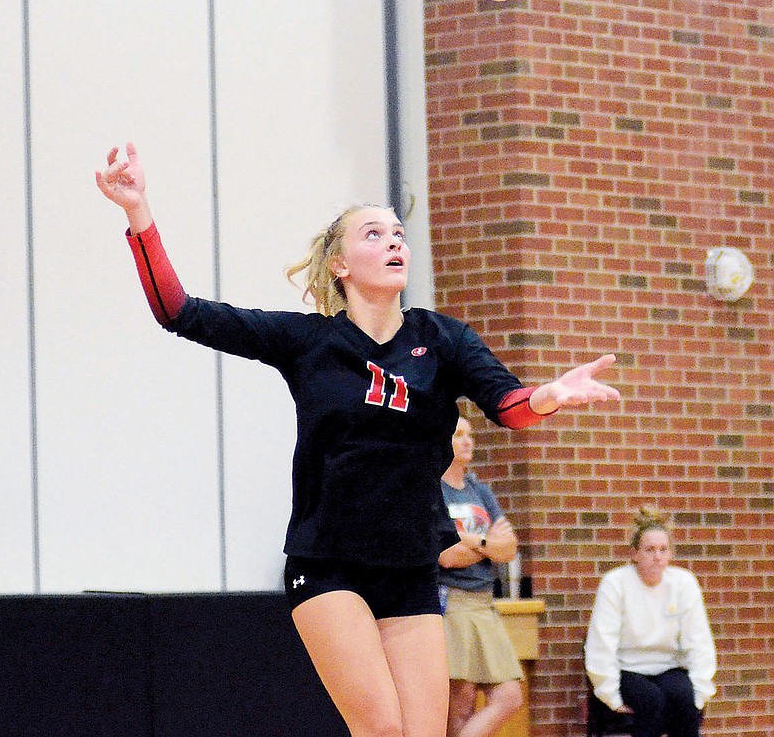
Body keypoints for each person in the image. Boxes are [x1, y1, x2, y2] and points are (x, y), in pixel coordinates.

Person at [96, 142, 621, 737]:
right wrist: (138, 212)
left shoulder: (444, 340)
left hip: (411, 565)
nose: (395, 241)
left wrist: (550, 395)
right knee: (381, 730)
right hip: (328, 564)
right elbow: (179, 311)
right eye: (373, 234)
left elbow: (508, 404)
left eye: (399, 233)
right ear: (340, 265)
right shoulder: (307, 341)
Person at [584, 505, 716, 737]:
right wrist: (611, 697)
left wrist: (701, 692)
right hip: (628, 668)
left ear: (670, 554)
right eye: (649, 549)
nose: (657, 557)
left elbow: (700, 642)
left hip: (668, 666)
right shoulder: (615, 583)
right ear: (634, 553)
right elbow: (601, 645)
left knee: (685, 697)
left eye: (663, 550)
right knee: (652, 701)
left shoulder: (684, 583)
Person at [438, 415, 523, 737]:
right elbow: (446, 556)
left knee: (509, 696)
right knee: (460, 705)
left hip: (485, 605)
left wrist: (475, 542)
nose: (467, 441)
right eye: (458, 434)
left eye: (469, 435)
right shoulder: (435, 491)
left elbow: (509, 548)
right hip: (453, 603)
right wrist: (490, 544)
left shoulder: (480, 491)